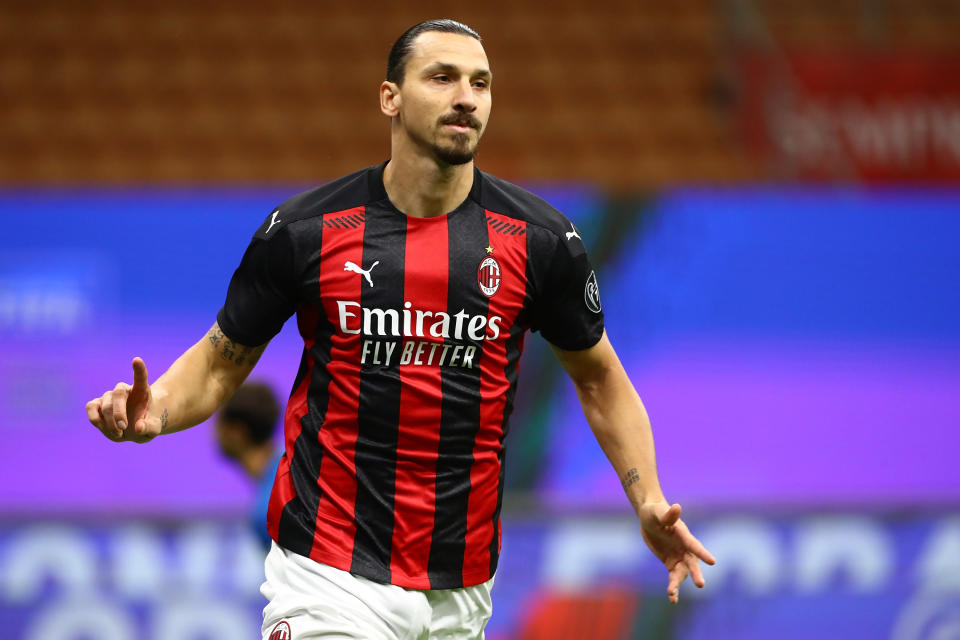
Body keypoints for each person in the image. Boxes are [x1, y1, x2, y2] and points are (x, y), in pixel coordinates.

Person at [86, 18, 716, 639]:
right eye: (441, 78)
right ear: (389, 96)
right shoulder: (307, 230)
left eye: (480, 82)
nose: (465, 97)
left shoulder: (542, 242)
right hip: (326, 572)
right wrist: (157, 410)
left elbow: (599, 378)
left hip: (461, 589)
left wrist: (648, 499)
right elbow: (222, 361)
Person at [214, 381, 284, 549]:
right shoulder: (293, 469)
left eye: (219, 422)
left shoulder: (267, 513)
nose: (213, 432)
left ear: (237, 431)